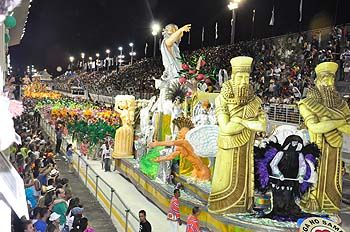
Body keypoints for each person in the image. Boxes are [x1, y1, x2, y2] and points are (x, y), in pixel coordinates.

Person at [208, 56, 267, 214]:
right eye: (240, 77)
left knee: (243, 183)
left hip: (246, 148)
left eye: (247, 77)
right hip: (228, 147)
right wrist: (248, 121)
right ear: (233, 77)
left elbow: (261, 125)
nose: (244, 81)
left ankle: (243, 207)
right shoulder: (222, 99)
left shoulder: (255, 101)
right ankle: (223, 206)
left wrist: (240, 120)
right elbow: (226, 128)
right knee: (226, 182)